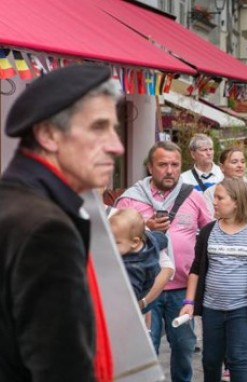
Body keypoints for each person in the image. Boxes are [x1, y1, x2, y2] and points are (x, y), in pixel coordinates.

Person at [0, 64, 124, 381]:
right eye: (99, 127)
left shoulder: (16, 205)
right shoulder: (46, 229)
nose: (116, 146)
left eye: (114, 128)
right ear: (48, 134)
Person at [115, 141, 213, 382]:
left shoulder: (193, 196)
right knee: (145, 350)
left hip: (182, 289)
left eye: (174, 165)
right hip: (143, 290)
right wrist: (145, 227)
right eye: (162, 165)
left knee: (183, 349)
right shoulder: (130, 199)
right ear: (150, 167)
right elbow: (113, 240)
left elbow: (210, 232)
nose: (169, 170)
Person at [180, 177, 247, 382]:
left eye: (219, 198)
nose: (214, 202)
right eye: (214, 197)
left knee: (238, 359)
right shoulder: (208, 232)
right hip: (211, 308)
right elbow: (196, 269)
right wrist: (189, 302)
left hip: (242, 309)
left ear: (236, 201)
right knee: (211, 360)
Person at [109, 208, 174, 311]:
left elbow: (130, 298)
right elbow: (160, 239)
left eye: (116, 243)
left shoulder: (132, 268)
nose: (109, 246)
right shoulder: (148, 241)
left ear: (135, 242)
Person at [204, 148, 247, 224]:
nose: (240, 165)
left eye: (243, 162)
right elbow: (208, 219)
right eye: (234, 162)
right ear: (222, 167)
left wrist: (225, 215)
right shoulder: (211, 192)